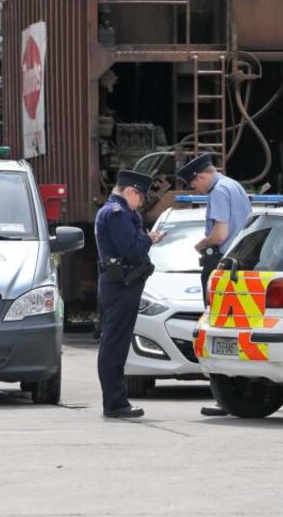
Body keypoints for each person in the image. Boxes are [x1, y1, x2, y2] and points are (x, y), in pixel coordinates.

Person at [176, 153, 251, 416]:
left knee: (217, 331)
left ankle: (224, 397)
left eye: (193, 185)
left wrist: (202, 243)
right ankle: (239, 396)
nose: (195, 189)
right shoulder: (234, 186)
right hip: (240, 266)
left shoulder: (218, 191)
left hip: (221, 263)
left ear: (201, 176)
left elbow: (219, 233)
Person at [94, 170, 165, 419]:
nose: (141, 204)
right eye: (141, 198)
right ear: (130, 192)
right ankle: (115, 403)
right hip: (121, 285)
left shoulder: (118, 212)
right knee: (115, 345)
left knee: (114, 343)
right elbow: (132, 249)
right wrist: (148, 239)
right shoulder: (118, 214)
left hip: (119, 284)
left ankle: (115, 400)